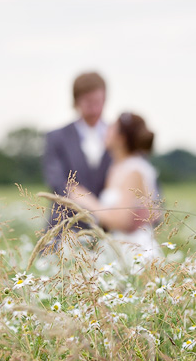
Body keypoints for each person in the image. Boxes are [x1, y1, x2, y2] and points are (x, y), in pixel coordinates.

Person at [69, 112, 163, 260]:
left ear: (121, 138)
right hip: (117, 248)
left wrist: (88, 202)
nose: (105, 131)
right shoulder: (116, 167)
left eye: (111, 128)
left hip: (136, 252)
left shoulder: (134, 170)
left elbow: (122, 221)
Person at [42, 71, 112, 228]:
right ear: (76, 102)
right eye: (88, 102)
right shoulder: (57, 137)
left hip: (110, 231)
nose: (94, 109)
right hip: (65, 227)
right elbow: (58, 183)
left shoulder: (118, 137)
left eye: (98, 102)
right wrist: (100, 212)